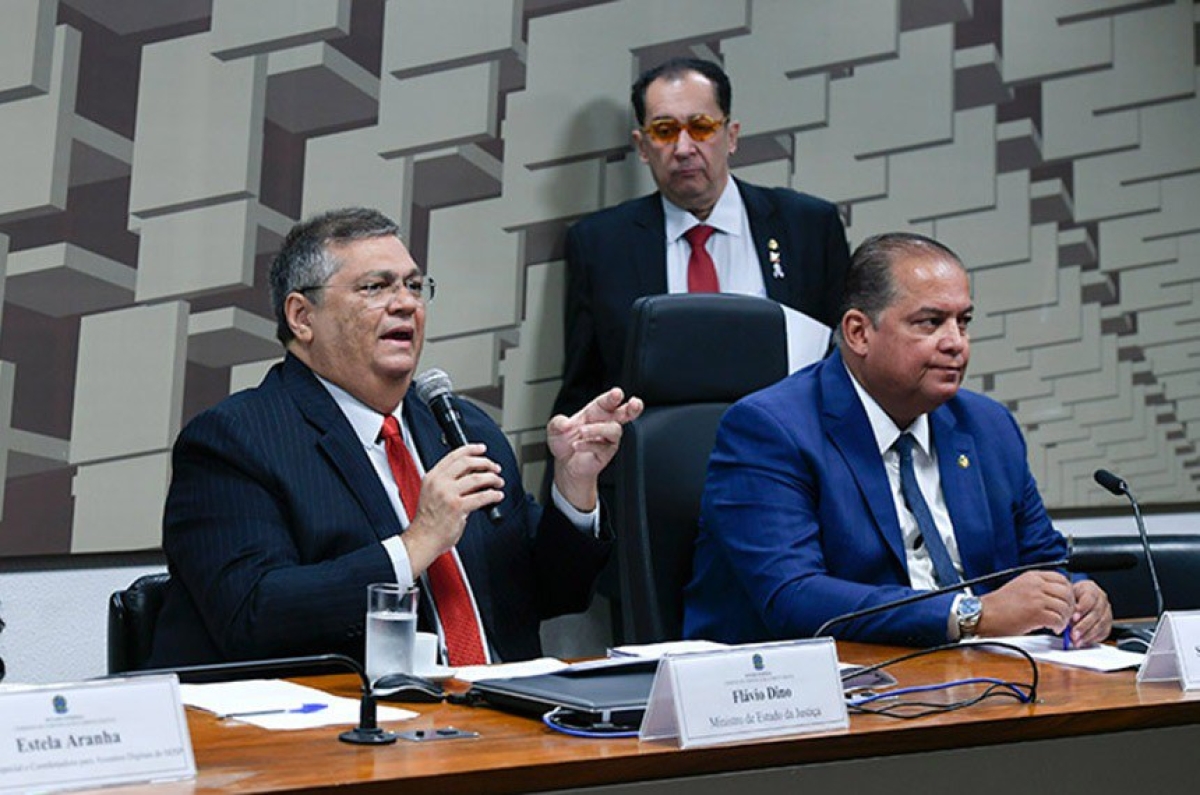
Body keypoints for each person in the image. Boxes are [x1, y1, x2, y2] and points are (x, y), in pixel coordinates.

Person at [149, 207, 643, 669]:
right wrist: (416, 543)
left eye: (413, 285)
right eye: (375, 287)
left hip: (502, 723)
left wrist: (575, 491)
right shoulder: (233, 442)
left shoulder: (462, 428)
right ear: (302, 317)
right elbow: (253, 617)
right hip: (351, 735)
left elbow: (555, 594)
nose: (405, 303)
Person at [684, 232, 1112, 647]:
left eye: (963, 322)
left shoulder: (988, 425)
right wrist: (970, 616)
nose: (956, 343)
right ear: (858, 333)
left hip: (981, 678)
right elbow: (794, 596)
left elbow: (1044, 561)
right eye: (930, 322)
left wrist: (1077, 595)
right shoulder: (769, 429)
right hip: (818, 691)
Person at [553, 57, 851, 419]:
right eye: (664, 131)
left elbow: (846, 363)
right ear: (643, 146)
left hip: (788, 453)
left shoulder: (806, 226)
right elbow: (582, 390)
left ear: (732, 135)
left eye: (700, 127)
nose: (683, 148)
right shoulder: (600, 245)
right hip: (657, 463)